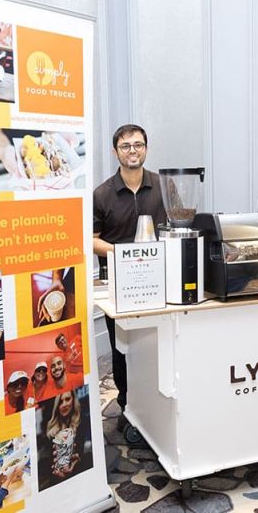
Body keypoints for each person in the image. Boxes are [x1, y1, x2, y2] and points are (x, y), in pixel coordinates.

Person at [93, 124, 167, 430]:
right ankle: (126, 405)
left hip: (161, 281)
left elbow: (178, 226)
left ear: (146, 149)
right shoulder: (102, 194)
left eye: (138, 145)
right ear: (116, 152)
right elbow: (91, 240)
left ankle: (159, 404)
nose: (132, 150)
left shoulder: (163, 186)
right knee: (122, 348)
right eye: (126, 146)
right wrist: (124, 254)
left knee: (159, 343)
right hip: (117, 284)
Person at [45, 391, 82, 479]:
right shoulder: (52, 431)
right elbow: (49, 464)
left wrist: (78, 462)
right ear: (57, 406)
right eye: (60, 402)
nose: (64, 404)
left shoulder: (82, 423)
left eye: (67, 399)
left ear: (73, 400)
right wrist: (55, 471)